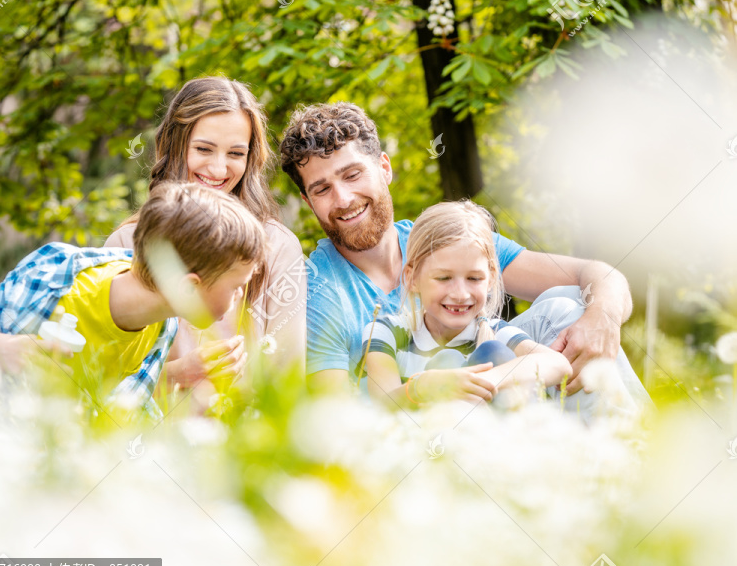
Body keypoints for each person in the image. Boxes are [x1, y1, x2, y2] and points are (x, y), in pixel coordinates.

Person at [279, 102, 652, 414]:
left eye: (352, 174)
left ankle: (634, 456)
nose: (343, 198)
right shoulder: (318, 290)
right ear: (309, 202)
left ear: (384, 168)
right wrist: (423, 391)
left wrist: (602, 317)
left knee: (569, 303)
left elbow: (597, 274)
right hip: (421, 439)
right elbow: (332, 418)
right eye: (322, 189)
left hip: (498, 402)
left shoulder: (448, 240)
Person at [0, 182, 266, 421]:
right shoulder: (58, 276)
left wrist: (182, 378)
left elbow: (119, 416)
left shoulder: (162, 326)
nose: (240, 297)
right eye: (237, 286)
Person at [106, 77, 306, 400]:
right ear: (175, 145)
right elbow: (100, 378)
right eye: (203, 149)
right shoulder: (126, 244)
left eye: (235, 153)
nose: (218, 168)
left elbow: (288, 387)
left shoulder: (278, 247)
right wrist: (176, 374)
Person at [362, 201, 571, 407]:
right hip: (429, 436)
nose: (460, 294)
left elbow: (559, 364)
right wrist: (424, 387)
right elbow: (383, 405)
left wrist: (485, 381)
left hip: (489, 432)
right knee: (447, 361)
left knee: (494, 352)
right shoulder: (387, 331)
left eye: (474, 279)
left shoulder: (493, 331)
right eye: (444, 278)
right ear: (412, 278)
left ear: (490, 279)